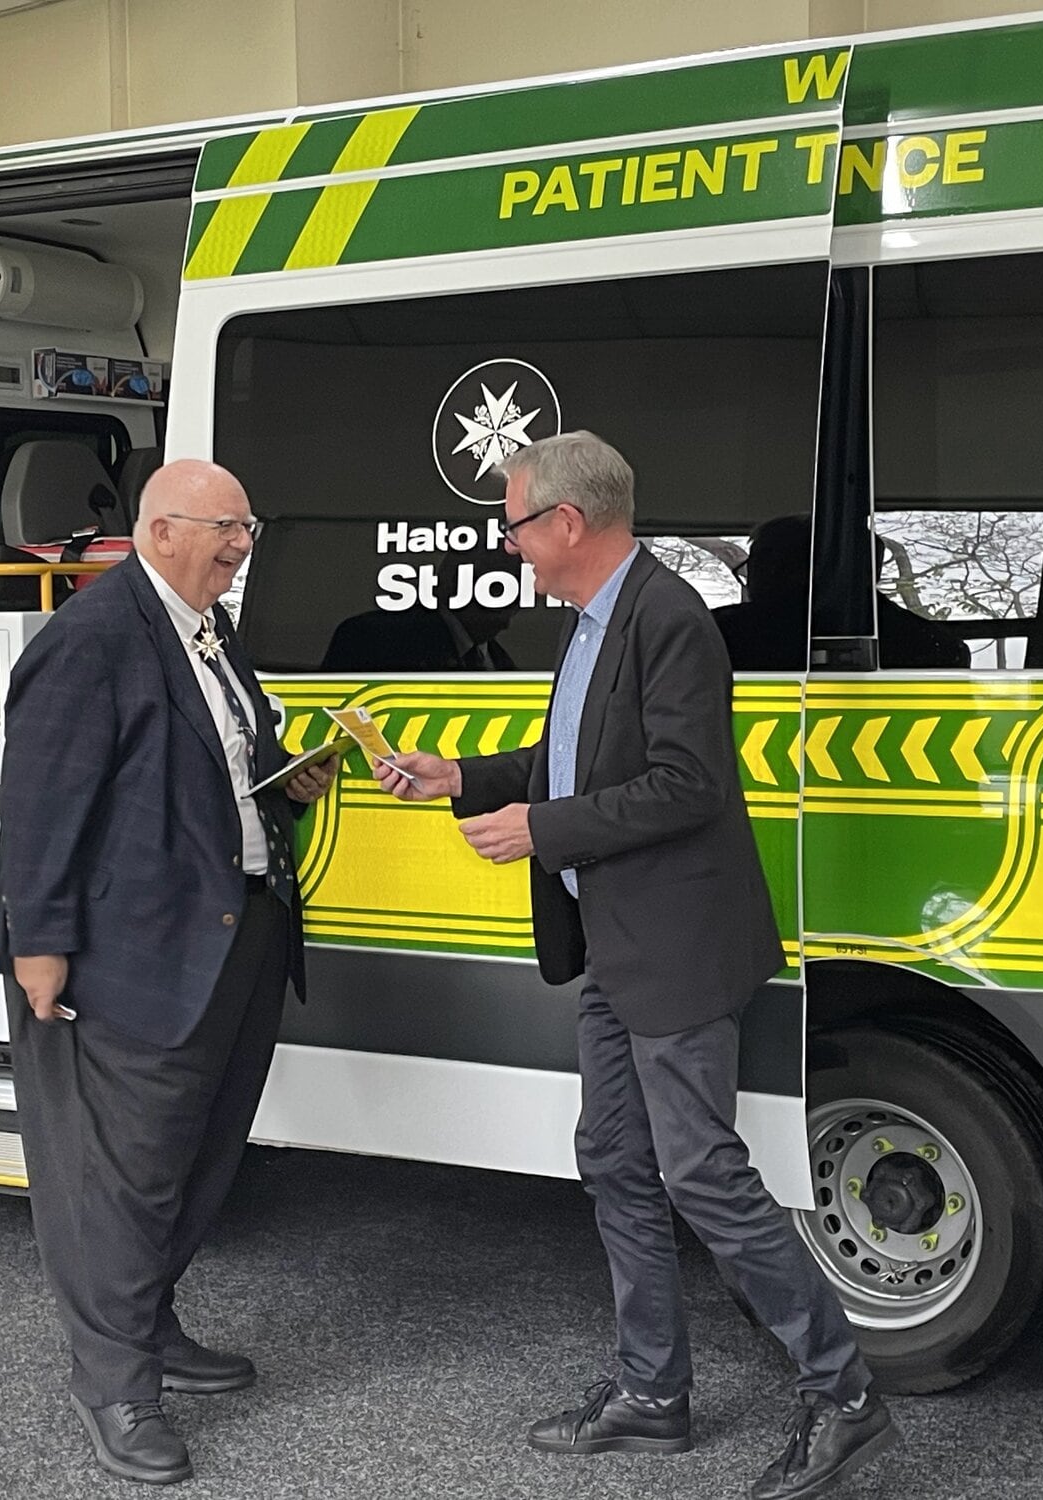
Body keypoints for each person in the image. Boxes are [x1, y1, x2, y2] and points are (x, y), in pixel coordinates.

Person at [374, 433, 899, 1500]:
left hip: (673, 948)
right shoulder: (591, 624)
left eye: (516, 523)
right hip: (616, 944)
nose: (510, 545)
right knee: (613, 1158)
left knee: (700, 1170)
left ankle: (844, 1395)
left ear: (566, 522)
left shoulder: (669, 622)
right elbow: (569, 760)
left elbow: (684, 787)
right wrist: (459, 777)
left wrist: (540, 830)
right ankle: (652, 1396)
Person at [0, 458, 337, 1486]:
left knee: (198, 1159)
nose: (239, 546)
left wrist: (288, 776)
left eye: (247, 526)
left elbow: (230, 756)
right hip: (126, 948)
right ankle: (114, 1388)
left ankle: (151, 1325)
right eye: (222, 528)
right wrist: (38, 945)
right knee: (120, 1181)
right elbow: (39, 807)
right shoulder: (89, 640)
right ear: (158, 532)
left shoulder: (207, 629)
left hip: (232, 932)